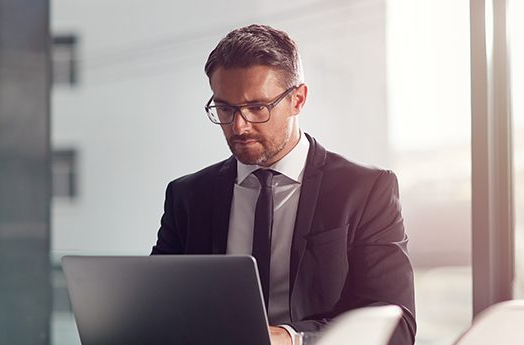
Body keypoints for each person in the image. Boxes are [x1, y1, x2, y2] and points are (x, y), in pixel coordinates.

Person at [150, 24, 416, 345]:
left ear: (298, 100)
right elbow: (157, 309)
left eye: (257, 107)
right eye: (224, 108)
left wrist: (290, 339)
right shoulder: (187, 197)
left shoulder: (366, 190)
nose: (239, 125)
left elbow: (395, 324)